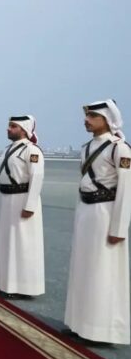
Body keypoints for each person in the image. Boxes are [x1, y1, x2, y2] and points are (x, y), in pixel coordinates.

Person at [64, 99, 131, 345]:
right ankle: (79, 324)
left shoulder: (120, 149)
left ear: (107, 119)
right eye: (87, 116)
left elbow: (126, 190)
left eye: (93, 116)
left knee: (102, 272)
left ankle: (100, 331)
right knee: (82, 268)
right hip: (87, 212)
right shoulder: (86, 147)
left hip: (105, 214)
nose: (87, 120)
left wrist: (119, 228)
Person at [0, 115, 45, 299]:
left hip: (22, 199)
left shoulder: (32, 150)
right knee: (5, 241)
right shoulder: (8, 149)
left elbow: (36, 177)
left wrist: (30, 205)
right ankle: (2, 282)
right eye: (9, 125)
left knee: (22, 244)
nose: (9, 129)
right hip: (6, 199)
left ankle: (22, 287)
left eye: (13, 126)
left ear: (24, 129)